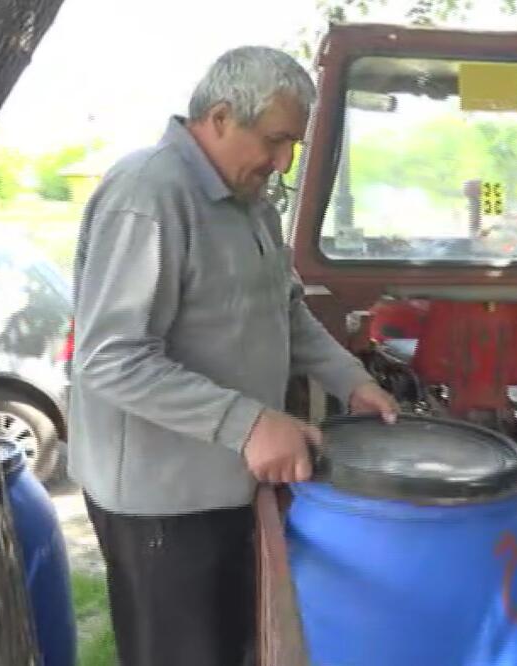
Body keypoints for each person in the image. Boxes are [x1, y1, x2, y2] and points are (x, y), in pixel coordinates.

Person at [69, 46, 398, 666]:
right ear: (219, 117)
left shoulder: (252, 201)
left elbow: (285, 309)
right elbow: (111, 358)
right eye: (275, 140)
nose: (283, 161)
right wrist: (249, 424)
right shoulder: (148, 192)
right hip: (162, 504)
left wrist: (350, 378)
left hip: (227, 482)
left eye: (292, 144)